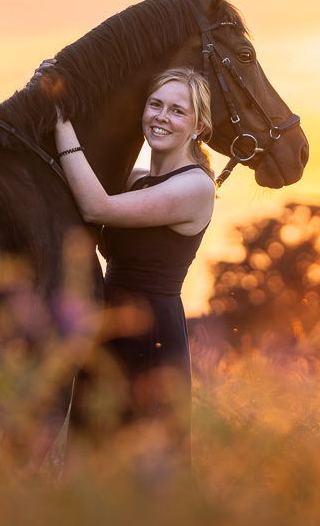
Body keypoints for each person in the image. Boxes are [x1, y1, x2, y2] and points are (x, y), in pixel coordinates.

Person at [52, 64, 216, 474]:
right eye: (155, 104)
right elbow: (84, 185)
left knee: (141, 468)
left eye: (177, 110)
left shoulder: (196, 187)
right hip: (107, 324)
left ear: (198, 126)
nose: (162, 116)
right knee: (90, 461)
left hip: (151, 335)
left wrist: (61, 119)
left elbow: (96, 206)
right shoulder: (137, 180)